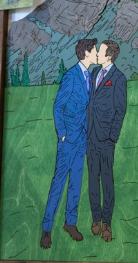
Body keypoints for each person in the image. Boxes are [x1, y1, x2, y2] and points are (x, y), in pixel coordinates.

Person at [40, 39, 97, 249]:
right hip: (68, 140)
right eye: (94, 51)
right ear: (86, 54)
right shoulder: (71, 76)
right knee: (58, 184)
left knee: (76, 183)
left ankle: (70, 224)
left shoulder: (89, 76)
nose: (96, 54)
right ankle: (46, 229)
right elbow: (58, 106)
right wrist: (62, 133)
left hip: (82, 139)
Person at [86, 40, 128, 243]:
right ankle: (95, 218)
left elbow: (120, 109)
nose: (97, 55)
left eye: (100, 52)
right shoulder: (94, 74)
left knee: (107, 181)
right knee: (93, 179)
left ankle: (107, 223)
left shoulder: (118, 78)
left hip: (106, 138)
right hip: (91, 136)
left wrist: (113, 136)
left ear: (109, 56)